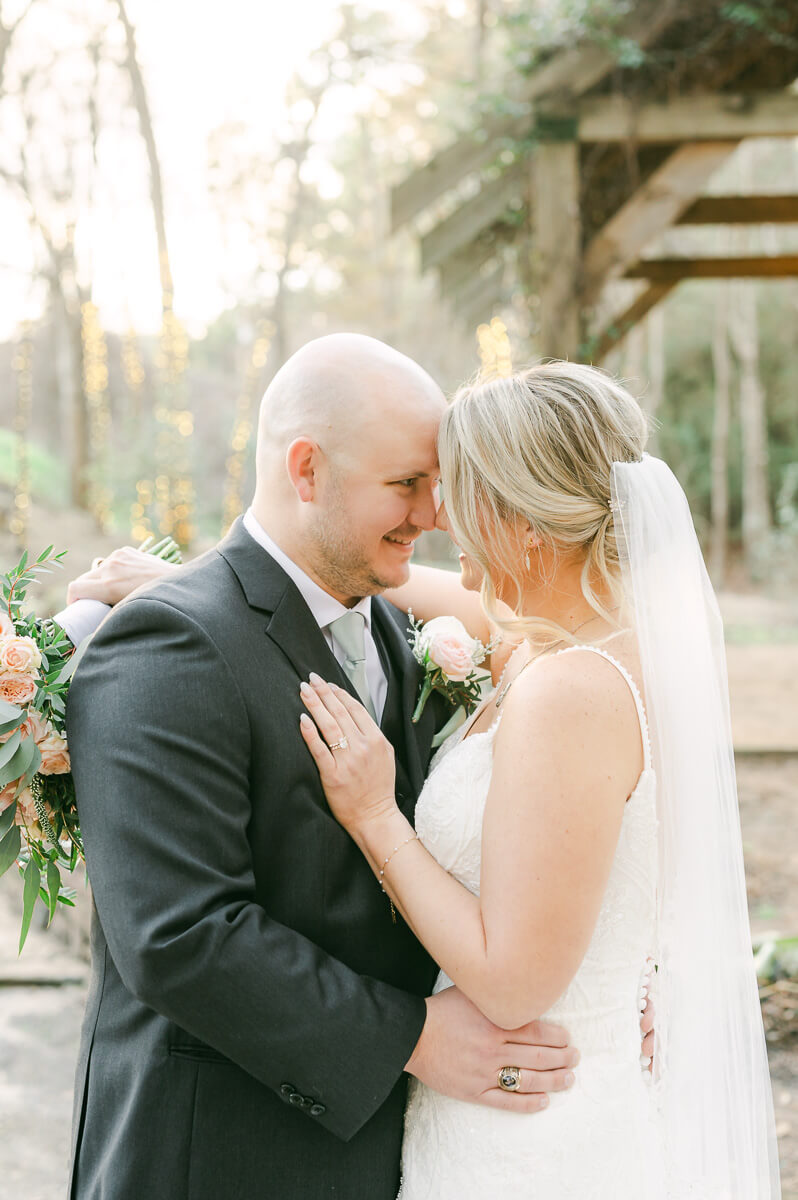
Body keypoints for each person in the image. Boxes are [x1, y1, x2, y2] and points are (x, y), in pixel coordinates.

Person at [61, 335, 587, 1200]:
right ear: (306, 470)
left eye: (436, 486)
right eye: (407, 485)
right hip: (216, 1157)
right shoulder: (168, 642)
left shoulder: (402, 634)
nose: (434, 516)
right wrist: (415, 1038)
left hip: (384, 1151)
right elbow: (179, 936)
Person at [297, 362, 782, 1198]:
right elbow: (405, 589)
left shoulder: (570, 691)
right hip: (548, 1106)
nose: (438, 516)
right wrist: (212, 588)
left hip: (532, 1145)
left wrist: (377, 815)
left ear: (525, 526)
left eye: (460, 494)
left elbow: (514, 981)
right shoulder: (571, 640)